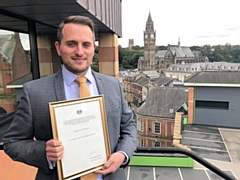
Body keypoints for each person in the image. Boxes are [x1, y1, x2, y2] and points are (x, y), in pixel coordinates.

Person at [3, 15, 137, 180]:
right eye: (71, 44)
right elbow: (12, 142)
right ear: (58, 48)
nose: (79, 52)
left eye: (86, 45)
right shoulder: (34, 91)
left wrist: (122, 154)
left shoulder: (113, 85)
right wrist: (44, 151)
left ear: (93, 48)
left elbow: (129, 127)